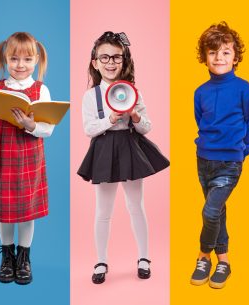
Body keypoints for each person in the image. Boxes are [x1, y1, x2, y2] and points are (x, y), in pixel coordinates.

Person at [77, 31, 169, 284]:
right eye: (104, 57)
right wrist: (110, 119)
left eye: (116, 57)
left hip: (129, 146)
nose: (110, 63)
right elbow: (89, 128)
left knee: (135, 205)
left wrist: (135, 116)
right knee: (103, 211)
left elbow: (146, 126)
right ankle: (101, 260)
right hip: (105, 148)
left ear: (124, 60)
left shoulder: (133, 92)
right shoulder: (91, 96)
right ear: (95, 62)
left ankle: (143, 257)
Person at [0, 32, 52, 285]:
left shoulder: (41, 89)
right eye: (14, 58)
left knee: (26, 212)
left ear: (36, 60)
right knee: (5, 211)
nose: (20, 65)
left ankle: (23, 258)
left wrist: (29, 124)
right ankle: (7, 257)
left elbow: (47, 130)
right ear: (5, 59)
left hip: (28, 159)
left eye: (27, 59)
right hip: (2, 156)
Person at [189, 21, 249, 289]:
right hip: (203, 160)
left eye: (226, 52)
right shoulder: (200, 92)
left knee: (210, 211)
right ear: (205, 57)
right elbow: (201, 121)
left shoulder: (244, 89)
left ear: (236, 57)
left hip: (230, 162)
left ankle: (202, 256)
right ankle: (225, 262)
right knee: (218, 213)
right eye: (213, 52)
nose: (219, 57)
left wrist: (242, 151)